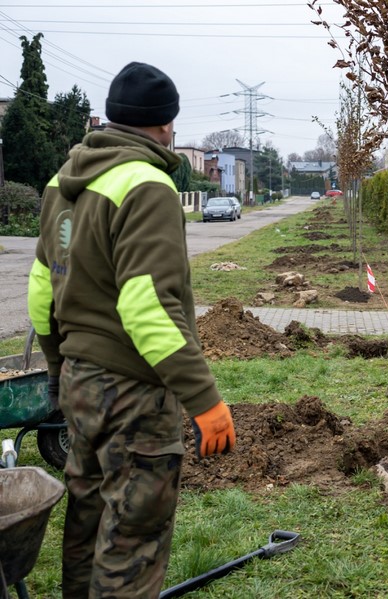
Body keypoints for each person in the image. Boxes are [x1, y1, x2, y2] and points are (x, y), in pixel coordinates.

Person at [27, 62, 236, 598]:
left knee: (88, 517)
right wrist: (205, 401)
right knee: (132, 541)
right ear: (167, 124)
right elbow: (149, 309)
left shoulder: (60, 183)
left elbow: (40, 291)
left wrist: (58, 370)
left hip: (80, 382)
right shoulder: (148, 183)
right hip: (132, 395)